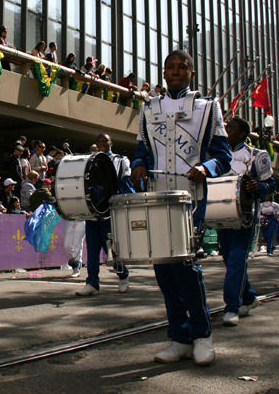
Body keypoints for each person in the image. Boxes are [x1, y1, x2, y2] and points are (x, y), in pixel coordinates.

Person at [131, 50, 231, 366]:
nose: (175, 72)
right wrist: (137, 166)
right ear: (163, 73)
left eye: (181, 67)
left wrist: (205, 167)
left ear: (191, 72)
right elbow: (141, 152)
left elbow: (223, 157)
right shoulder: (148, 109)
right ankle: (180, 337)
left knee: (186, 266)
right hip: (157, 197)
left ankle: (203, 336)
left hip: (191, 197)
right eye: (170, 68)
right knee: (164, 270)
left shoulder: (208, 108)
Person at [217, 117, 276, 326]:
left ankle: (232, 307)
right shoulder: (217, 154)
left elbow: (271, 183)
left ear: (242, 134)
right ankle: (249, 298)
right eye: (225, 126)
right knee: (229, 259)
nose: (226, 129)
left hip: (246, 215)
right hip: (221, 214)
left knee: (236, 259)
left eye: (230, 127)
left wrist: (257, 188)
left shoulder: (256, 155)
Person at [76, 134, 134, 296]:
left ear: (111, 143)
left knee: (114, 249)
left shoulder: (120, 161)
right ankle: (92, 283)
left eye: (105, 141)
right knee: (93, 250)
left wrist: (127, 206)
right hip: (93, 212)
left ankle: (123, 276)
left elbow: (126, 185)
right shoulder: (89, 161)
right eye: (99, 141)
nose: (102, 143)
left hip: (111, 212)